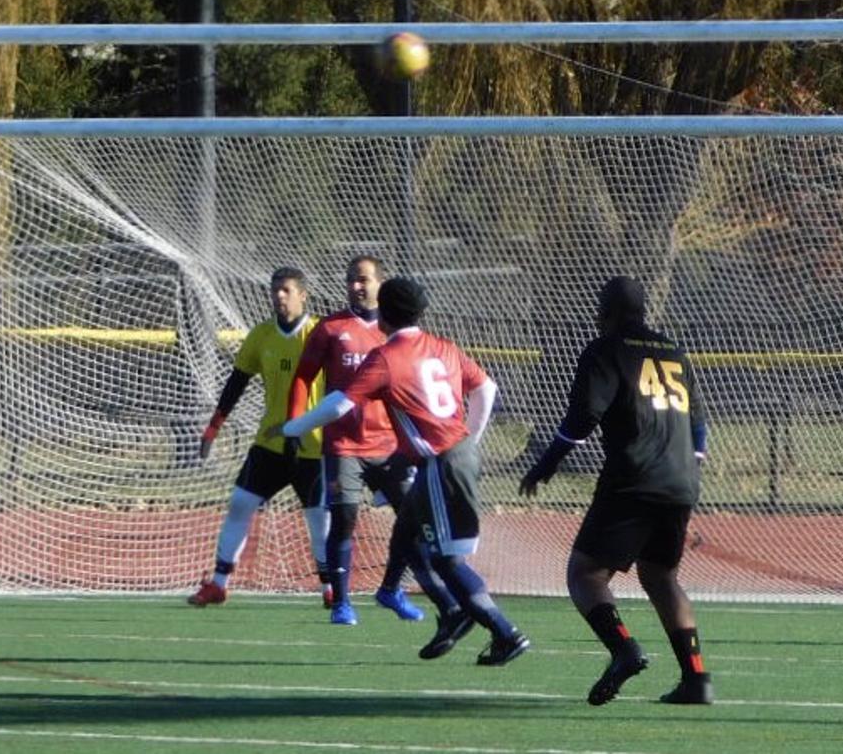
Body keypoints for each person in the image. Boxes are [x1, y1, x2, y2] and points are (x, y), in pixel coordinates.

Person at [276, 277, 530, 665]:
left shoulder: (386, 357)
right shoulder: (443, 346)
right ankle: (444, 610)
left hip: (440, 463)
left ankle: (504, 632)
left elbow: (340, 404)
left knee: (446, 560)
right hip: (452, 456)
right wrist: (469, 441)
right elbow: (486, 389)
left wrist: (293, 427)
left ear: (385, 313)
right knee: (406, 532)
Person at [519, 276, 712, 705]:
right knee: (660, 576)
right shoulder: (674, 351)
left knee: (585, 574)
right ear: (643, 311)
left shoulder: (605, 350)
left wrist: (547, 463)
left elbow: (584, 417)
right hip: (681, 482)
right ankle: (697, 679)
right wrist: (688, 471)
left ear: (603, 313)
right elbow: (699, 426)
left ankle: (624, 649)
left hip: (634, 479)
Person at [287, 257, 459, 629]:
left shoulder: (397, 332)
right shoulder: (331, 328)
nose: (356, 286)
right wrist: (295, 423)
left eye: (363, 279)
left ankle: (393, 589)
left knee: (413, 520)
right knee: (345, 517)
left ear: (381, 284)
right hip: (344, 445)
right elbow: (303, 377)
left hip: (391, 446)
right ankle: (341, 603)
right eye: (351, 280)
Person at [188, 266, 331, 607]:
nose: (279, 296)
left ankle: (330, 588)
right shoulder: (261, 335)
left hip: (313, 446)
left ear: (303, 295)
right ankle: (219, 583)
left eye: (286, 290)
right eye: (275, 290)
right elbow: (236, 383)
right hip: (270, 444)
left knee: (318, 519)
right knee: (240, 504)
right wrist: (213, 427)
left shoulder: (321, 334)